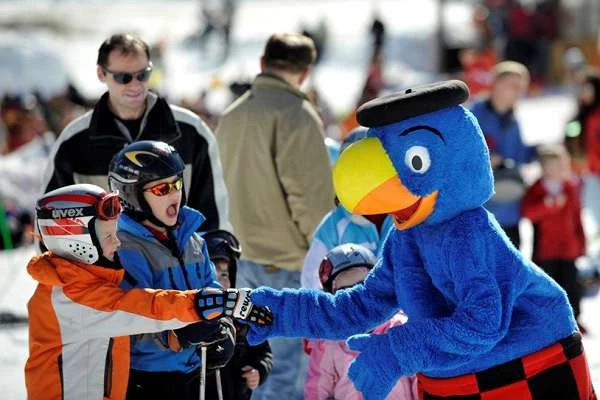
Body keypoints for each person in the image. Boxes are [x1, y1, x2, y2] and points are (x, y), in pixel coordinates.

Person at [25, 183, 271, 400]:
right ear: (76, 242)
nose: (118, 242)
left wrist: (181, 335)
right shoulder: (69, 299)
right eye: (109, 235)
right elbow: (145, 307)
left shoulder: (85, 284)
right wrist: (207, 304)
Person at [216, 33, 335, 399]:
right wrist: (322, 254)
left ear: (263, 64)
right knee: (286, 372)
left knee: (255, 367)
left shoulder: (233, 114)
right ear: (304, 73)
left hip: (241, 258)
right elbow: (310, 200)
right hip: (287, 261)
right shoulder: (297, 115)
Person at [42, 33, 229, 231]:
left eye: (143, 74)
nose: (135, 84)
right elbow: (52, 222)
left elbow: (214, 213)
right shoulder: (74, 142)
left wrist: (216, 257)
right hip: (106, 260)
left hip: (181, 259)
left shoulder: (191, 131)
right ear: (101, 74)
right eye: (124, 77)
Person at [107, 140, 247, 400]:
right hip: (148, 379)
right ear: (131, 195)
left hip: (194, 370)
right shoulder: (125, 249)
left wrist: (223, 325)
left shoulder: (193, 240)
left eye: (177, 184)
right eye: (162, 188)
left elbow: (212, 290)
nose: (175, 195)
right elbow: (127, 319)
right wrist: (177, 335)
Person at [304, 243, 417, 400]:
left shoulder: (399, 329)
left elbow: (418, 380)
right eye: (346, 292)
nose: (357, 299)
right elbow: (317, 387)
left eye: (362, 288)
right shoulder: (329, 343)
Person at [301, 128, 394, 289]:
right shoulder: (334, 225)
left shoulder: (405, 216)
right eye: (354, 166)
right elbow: (311, 283)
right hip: (354, 312)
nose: (365, 175)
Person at [470, 61, 535, 249]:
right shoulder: (473, 115)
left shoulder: (513, 120)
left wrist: (541, 152)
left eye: (521, 88)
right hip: (480, 211)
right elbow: (455, 155)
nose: (518, 92)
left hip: (509, 207)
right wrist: (485, 159)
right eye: (513, 86)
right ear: (496, 84)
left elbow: (519, 154)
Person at [522, 144, 587, 332]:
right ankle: (552, 321)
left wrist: (581, 242)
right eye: (556, 167)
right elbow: (528, 213)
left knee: (572, 285)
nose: (561, 171)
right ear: (545, 168)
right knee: (551, 286)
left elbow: (576, 217)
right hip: (546, 250)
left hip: (568, 248)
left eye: (563, 166)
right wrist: (548, 205)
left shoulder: (569, 187)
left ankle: (574, 319)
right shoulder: (537, 189)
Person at [203, 229, 274, 400]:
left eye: (225, 274)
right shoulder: (195, 320)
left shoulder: (244, 316)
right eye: (213, 274)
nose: (219, 281)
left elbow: (264, 353)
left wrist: (259, 370)